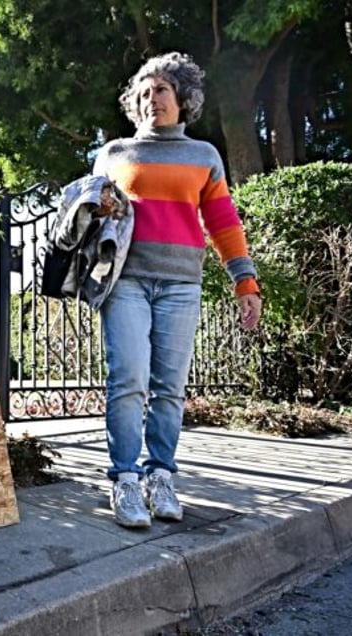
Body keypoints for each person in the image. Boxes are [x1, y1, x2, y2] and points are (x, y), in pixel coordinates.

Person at [91, 51, 262, 528]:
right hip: (125, 282)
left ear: (183, 98)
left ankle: (160, 474)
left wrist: (244, 281)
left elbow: (223, 222)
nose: (152, 100)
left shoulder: (203, 156)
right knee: (128, 379)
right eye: (144, 93)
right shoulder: (115, 154)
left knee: (169, 388)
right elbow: (85, 212)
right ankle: (124, 479)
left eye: (162, 90)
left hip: (182, 285)